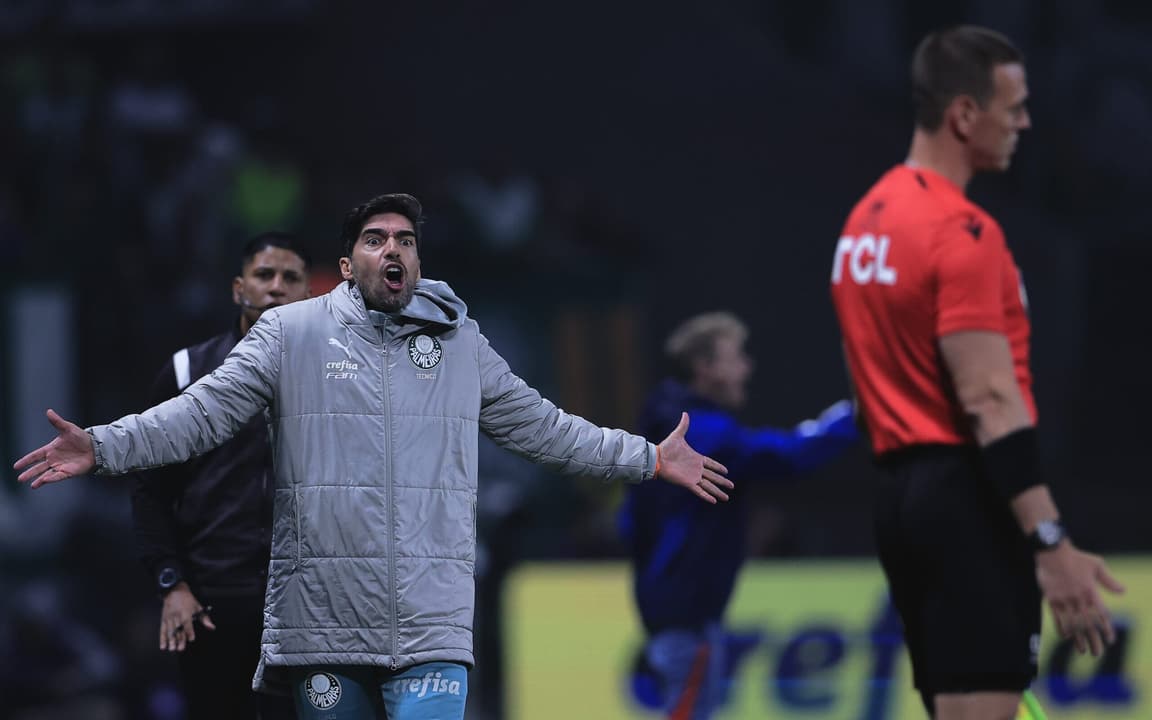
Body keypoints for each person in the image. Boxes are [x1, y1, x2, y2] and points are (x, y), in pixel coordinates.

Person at [14, 192, 733, 720]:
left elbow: (545, 428)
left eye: (405, 240)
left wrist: (645, 457)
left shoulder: (461, 344)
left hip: (431, 622)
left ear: (418, 260)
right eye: (375, 238)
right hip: (323, 627)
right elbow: (197, 417)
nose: (392, 249)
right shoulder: (290, 336)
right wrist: (103, 446)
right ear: (346, 263)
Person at [828, 25, 1124, 720]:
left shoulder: (864, 225)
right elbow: (991, 397)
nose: (1024, 122)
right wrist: (1049, 541)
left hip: (899, 500)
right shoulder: (961, 233)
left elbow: (864, 385)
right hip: (968, 495)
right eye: (1013, 106)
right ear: (964, 114)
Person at [619, 311, 859, 719]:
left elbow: (629, 523)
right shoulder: (699, 434)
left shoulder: (665, 419)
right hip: (685, 613)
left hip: (673, 609)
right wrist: (856, 413)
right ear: (705, 367)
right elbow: (785, 455)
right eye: (736, 357)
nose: (746, 367)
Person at [130, 231, 311, 719]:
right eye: (264, 275)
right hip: (211, 604)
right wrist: (172, 584)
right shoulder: (188, 371)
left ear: (309, 293)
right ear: (239, 288)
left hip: (307, 610)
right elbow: (149, 489)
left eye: (290, 277)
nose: (276, 287)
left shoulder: (335, 377)